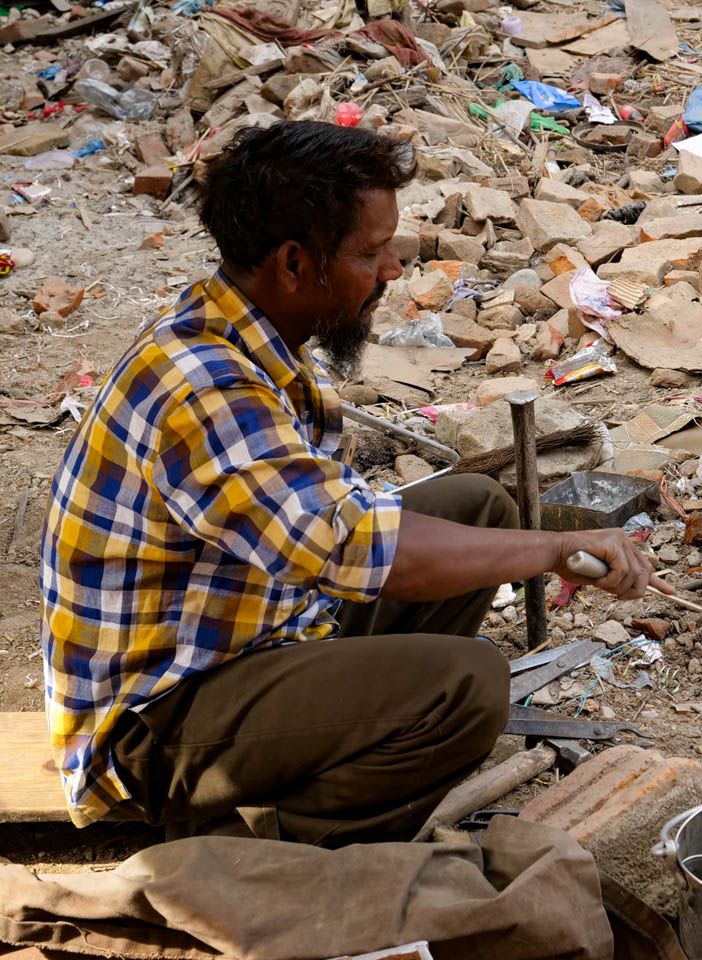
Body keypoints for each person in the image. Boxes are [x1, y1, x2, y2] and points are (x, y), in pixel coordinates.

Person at [39, 121, 669, 846]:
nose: (393, 271)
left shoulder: (248, 334)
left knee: (480, 510)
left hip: (256, 640)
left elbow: (336, 526)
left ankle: (335, 765)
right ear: (295, 264)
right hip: (151, 731)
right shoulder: (206, 389)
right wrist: (553, 550)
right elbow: (356, 547)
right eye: (372, 253)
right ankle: (269, 845)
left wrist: (529, 543)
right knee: (468, 686)